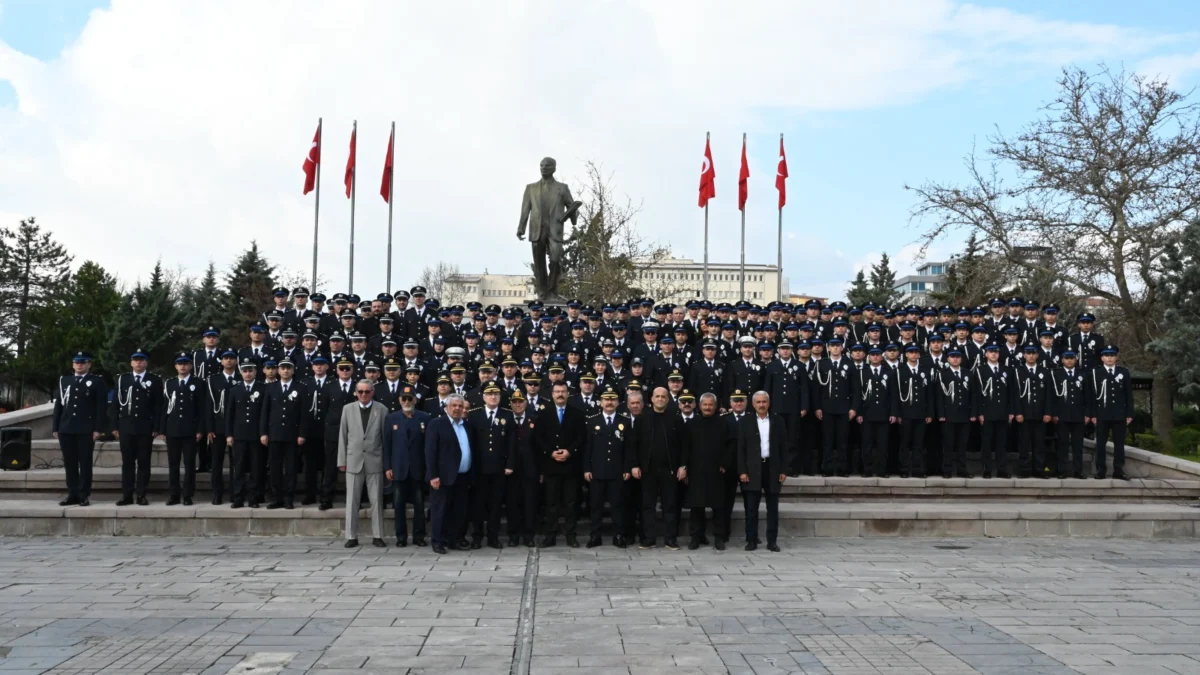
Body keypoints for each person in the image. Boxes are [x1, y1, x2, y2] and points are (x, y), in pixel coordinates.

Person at [633, 387, 688, 550]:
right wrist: (634, 465)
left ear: (668, 399)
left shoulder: (676, 419)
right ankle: (649, 538)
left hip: (669, 470)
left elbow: (684, 445)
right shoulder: (642, 418)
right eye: (657, 396)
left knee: (670, 506)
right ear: (651, 399)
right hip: (647, 470)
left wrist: (683, 466)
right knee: (647, 505)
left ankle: (670, 539)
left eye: (663, 396)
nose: (660, 399)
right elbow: (633, 444)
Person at [52, 351, 108, 507]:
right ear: (73, 364)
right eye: (77, 362)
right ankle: (72, 494)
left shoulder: (97, 381)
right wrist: (55, 427)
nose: (80, 365)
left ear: (89, 364)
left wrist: (98, 429)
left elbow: (101, 408)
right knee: (70, 463)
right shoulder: (65, 380)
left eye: (83, 362)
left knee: (85, 462)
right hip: (66, 428)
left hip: (86, 429)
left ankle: (84, 494)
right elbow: (59, 406)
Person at [337, 380, 387, 548]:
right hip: (353, 460)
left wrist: (386, 463)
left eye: (367, 391)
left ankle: (378, 535)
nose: (363, 395)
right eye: (360, 391)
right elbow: (343, 436)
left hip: (375, 460)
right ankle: (351, 535)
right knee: (352, 500)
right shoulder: (347, 409)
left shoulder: (382, 409)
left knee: (376, 500)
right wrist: (342, 461)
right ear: (355, 392)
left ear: (372, 392)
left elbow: (384, 438)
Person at [535, 381, 586, 547]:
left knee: (571, 503)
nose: (560, 394)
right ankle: (550, 536)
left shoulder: (577, 414)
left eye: (563, 391)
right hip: (551, 465)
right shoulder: (543, 414)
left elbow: (581, 437)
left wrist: (569, 451)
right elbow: (539, 438)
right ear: (552, 394)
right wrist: (550, 452)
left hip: (571, 465)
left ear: (568, 393)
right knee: (551, 503)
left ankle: (571, 536)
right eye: (557, 391)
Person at [582, 385, 633, 548]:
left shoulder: (625, 421)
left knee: (618, 506)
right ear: (600, 402)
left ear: (618, 402)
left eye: (612, 399)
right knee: (596, 506)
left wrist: (626, 468)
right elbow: (587, 448)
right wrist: (587, 468)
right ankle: (595, 536)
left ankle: (619, 535)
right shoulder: (592, 421)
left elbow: (628, 449)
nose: (609, 402)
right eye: (606, 399)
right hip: (597, 471)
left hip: (617, 471)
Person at [109, 348, 161, 506]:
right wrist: (114, 426)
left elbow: (159, 405)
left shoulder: (155, 380)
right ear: (131, 363)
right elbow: (116, 405)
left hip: (146, 427)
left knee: (144, 462)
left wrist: (157, 427)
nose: (138, 362)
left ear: (146, 362)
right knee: (128, 463)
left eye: (141, 359)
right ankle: (126, 495)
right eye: (135, 359)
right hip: (126, 427)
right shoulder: (122, 380)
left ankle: (141, 495)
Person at [737, 391, 788, 552]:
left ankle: (772, 541)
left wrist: (784, 469)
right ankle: (751, 539)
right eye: (758, 402)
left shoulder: (778, 421)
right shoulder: (746, 421)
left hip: (772, 468)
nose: (761, 405)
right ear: (753, 404)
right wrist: (742, 471)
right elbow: (741, 449)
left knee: (772, 508)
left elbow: (783, 447)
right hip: (752, 469)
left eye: (764, 401)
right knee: (751, 508)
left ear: (769, 403)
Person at [466, 383, 515, 549]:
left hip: (499, 468)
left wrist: (509, 464)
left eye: (496, 394)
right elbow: (470, 444)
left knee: (495, 504)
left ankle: (493, 537)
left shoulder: (507, 415)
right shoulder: (474, 415)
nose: (493, 397)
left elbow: (511, 443)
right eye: (489, 394)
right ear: (483, 396)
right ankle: (477, 537)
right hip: (480, 469)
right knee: (478, 504)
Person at [682, 393, 732, 550]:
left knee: (718, 506)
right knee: (697, 506)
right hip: (696, 470)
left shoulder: (723, 423)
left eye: (711, 405)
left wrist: (725, 464)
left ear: (715, 406)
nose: (708, 407)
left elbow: (731, 446)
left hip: (717, 471)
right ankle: (696, 537)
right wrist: (685, 467)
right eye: (705, 405)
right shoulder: (691, 424)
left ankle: (719, 537)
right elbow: (685, 447)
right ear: (699, 405)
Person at [425, 393, 474, 554]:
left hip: (462, 476)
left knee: (459, 510)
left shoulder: (466, 425)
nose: (457, 409)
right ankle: (438, 541)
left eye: (460, 406)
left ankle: (454, 539)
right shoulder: (437, 424)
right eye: (454, 405)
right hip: (443, 477)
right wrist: (433, 475)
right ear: (447, 407)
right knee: (440, 510)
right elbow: (430, 452)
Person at [382, 385, 430, 547]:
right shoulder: (391, 418)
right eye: (404, 398)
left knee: (419, 504)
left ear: (416, 400)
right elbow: (386, 445)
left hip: (418, 468)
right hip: (398, 468)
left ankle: (419, 536)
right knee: (399, 504)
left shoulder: (424, 418)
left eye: (410, 398)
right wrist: (387, 467)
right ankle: (401, 537)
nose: (407, 401)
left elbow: (428, 446)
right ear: (399, 400)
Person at [160, 352, 206, 506]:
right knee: (173, 464)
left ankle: (187, 495)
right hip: (172, 429)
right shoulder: (170, 383)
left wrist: (200, 429)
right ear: (175, 366)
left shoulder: (198, 383)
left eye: (186, 363)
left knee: (189, 464)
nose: (183, 366)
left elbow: (202, 409)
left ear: (190, 366)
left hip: (190, 430)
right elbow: (165, 408)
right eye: (180, 363)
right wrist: (162, 429)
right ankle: (174, 494)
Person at [260, 359, 307, 509]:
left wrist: (302, 434)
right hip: (274, 434)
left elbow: (304, 414)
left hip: (292, 435)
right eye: (283, 368)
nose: (285, 371)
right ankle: (276, 498)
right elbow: (265, 412)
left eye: (288, 368)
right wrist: (263, 433)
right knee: (275, 468)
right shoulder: (270, 388)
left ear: (293, 370)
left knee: (291, 469)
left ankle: (288, 498)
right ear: (278, 371)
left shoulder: (300, 387)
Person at [224, 358, 266, 508]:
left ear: (255, 372)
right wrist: (229, 434)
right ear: (241, 373)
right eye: (245, 371)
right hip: (239, 435)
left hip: (256, 436)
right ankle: (238, 498)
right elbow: (230, 414)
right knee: (239, 468)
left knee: (256, 468)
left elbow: (264, 414)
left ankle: (253, 498)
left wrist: (263, 433)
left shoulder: (262, 389)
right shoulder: (235, 390)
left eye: (250, 371)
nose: (248, 374)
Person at [1088, 346, 1133, 480]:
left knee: (1119, 444)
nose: (1109, 358)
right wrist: (1092, 414)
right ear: (1102, 358)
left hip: (1119, 414)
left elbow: (1128, 395)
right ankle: (1101, 470)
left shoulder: (1123, 372)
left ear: (1116, 357)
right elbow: (1091, 396)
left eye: (1112, 355)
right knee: (1101, 444)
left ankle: (1118, 470)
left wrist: (1129, 413)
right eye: (1106, 355)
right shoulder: (1095, 373)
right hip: (1101, 414)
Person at [506, 389, 540, 547]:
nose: (518, 404)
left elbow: (540, 446)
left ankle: (528, 535)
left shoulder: (534, 419)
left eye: (520, 402)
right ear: (511, 404)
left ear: (526, 403)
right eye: (515, 402)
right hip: (511, 470)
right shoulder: (506, 419)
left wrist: (540, 471)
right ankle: (513, 535)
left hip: (530, 469)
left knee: (529, 504)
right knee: (513, 503)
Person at [1048, 350, 1087, 479]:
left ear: (1076, 359)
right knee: (1062, 444)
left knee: (1078, 445)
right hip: (1061, 415)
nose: (1069, 360)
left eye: (1072, 358)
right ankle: (1062, 470)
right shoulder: (1055, 374)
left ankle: (1078, 471)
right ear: (1062, 360)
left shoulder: (1082, 374)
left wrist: (1088, 414)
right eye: (1066, 358)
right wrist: (1053, 413)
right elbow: (1051, 396)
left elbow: (1088, 396)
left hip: (1078, 415)